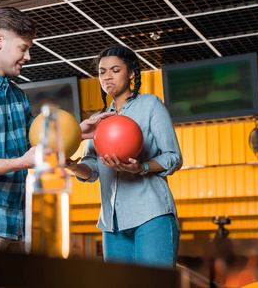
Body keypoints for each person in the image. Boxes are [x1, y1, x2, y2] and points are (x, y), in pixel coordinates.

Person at [0, 7, 112, 252]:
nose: (28, 56)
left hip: (20, 226)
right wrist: (20, 162)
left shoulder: (18, 96)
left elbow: (40, 140)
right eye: (23, 47)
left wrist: (77, 130)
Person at [66, 45, 183, 268]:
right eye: (102, 71)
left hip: (152, 215)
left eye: (115, 70)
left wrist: (142, 167)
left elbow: (173, 157)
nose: (107, 76)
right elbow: (92, 170)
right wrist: (72, 166)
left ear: (131, 73)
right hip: (113, 223)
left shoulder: (150, 105)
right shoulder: (98, 119)